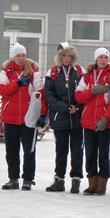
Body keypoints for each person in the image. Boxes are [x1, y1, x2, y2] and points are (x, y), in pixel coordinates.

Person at [0, 42, 47, 191]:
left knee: (29, 150)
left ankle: (28, 179)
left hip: (29, 118)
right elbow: (2, 90)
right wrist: (17, 83)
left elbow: (41, 93)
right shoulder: (6, 71)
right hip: (10, 117)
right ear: (13, 57)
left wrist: (43, 114)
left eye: (23, 55)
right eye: (18, 55)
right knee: (11, 150)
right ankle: (13, 178)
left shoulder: (33, 71)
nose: (21, 58)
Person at [75, 47, 110, 195]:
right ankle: (92, 182)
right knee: (90, 153)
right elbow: (78, 97)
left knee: (104, 154)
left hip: (105, 124)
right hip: (88, 122)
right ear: (96, 59)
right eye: (100, 57)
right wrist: (92, 91)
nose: (103, 60)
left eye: (105, 58)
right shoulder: (87, 77)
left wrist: (105, 119)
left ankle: (102, 184)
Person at [44, 42, 85, 194]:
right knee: (61, 150)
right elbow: (49, 96)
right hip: (60, 117)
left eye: (70, 56)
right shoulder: (52, 73)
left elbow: (85, 93)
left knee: (77, 150)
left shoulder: (79, 71)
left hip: (77, 119)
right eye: (64, 55)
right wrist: (66, 108)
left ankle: (76, 180)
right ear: (59, 56)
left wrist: (77, 108)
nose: (67, 58)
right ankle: (59, 180)